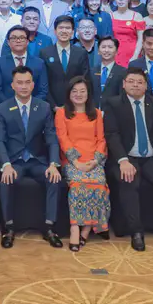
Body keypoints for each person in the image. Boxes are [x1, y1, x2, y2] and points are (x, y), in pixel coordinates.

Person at [103, 68, 153, 251]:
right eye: (131, 81)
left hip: (151, 158)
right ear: (124, 84)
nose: (135, 85)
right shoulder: (113, 104)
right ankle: (136, 231)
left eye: (140, 82)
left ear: (146, 85)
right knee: (128, 180)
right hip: (127, 157)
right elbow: (112, 135)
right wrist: (123, 160)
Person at [0, 66, 63, 249]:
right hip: (14, 161)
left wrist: (53, 164)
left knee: (54, 179)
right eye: (19, 83)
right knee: (6, 180)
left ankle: (49, 227)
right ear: (12, 85)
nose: (23, 86)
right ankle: (8, 228)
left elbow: (51, 138)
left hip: (37, 160)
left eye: (27, 82)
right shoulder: (3, 108)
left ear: (33, 85)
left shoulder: (44, 107)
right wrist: (6, 164)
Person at [56, 76, 110, 252]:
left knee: (99, 183)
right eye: (74, 91)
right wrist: (76, 162)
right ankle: (74, 228)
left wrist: (95, 160)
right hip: (72, 160)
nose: (78, 94)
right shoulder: (61, 113)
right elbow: (63, 139)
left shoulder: (97, 113)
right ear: (68, 93)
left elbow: (101, 140)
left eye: (82, 91)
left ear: (88, 93)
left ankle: (86, 229)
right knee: (78, 185)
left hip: (94, 160)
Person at [39, 15, 91, 108]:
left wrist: (77, 103)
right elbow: (43, 83)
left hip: (76, 105)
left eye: (67, 28)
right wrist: (53, 106)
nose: (64, 31)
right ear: (55, 31)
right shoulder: (45, 53)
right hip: (52, 106)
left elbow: (85, 79)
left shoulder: (81, 53)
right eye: (61, 28)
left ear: (72, 32)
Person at [0, 26, 50, 104]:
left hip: (34, 108)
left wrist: (29, 106)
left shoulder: (39, 63)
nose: (18, 41)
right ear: (8, 42)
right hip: (7, 108)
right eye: (14, 38)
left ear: (27, 41)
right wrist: (11, 107)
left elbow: (43, 90)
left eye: (22, 38)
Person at [110, 0, 145, 67]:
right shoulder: (110, 16)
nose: (121, 0)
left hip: (132, 54)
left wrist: (135, 56)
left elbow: (141, 39)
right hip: (114, 54)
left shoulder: (137, 16)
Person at [92, 36, 127, 104]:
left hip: (114, 109)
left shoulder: (123, 72)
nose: (106, 50)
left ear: (116, 51)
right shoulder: (92, 71)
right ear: (98, 51)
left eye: (110, 47)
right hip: (93, 109)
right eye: (103, 47)